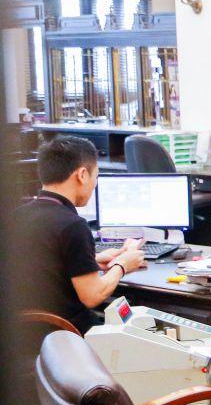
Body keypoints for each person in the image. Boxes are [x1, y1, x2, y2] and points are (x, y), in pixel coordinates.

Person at [14, 136, 146, 335]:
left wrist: (91, 261)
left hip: (23, 334)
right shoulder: (73, 225)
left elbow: (40, 264)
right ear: (82, 175)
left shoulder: (17, 215)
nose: (94, 185)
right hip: (66, 334)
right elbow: (93, 296)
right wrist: (122, 264)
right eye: (96, 177)